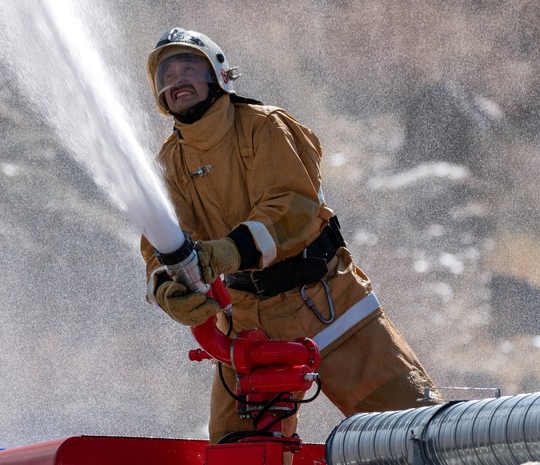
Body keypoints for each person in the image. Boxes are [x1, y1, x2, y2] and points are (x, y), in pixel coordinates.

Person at [139, 27, 444, 448]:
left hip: (328, 307)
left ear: (219, 75)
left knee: (415, 436)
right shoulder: (170, 163)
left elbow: (292, 208)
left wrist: (225, 252)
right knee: (237, 452)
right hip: (247, 326)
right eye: (167, 74)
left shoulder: (266, 127)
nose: (176, 80)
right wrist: (166, 285)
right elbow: (160, 240)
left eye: (188, 66)